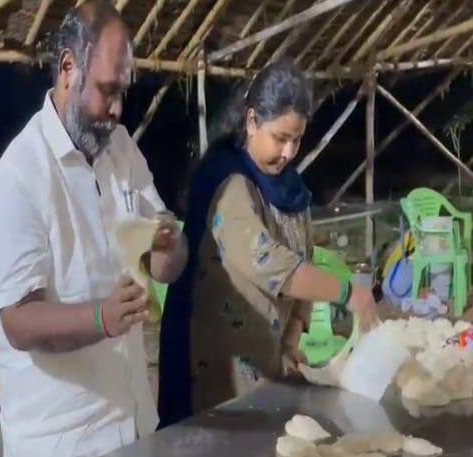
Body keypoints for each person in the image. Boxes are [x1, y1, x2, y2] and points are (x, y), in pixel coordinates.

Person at [0, 0, 187, 457]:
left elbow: (165, 244)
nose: (118, 109)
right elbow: (18, 320)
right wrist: (102, 318)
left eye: (123, 91)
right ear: (68, 69)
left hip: (125, 437)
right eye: (108, 90)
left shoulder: (119, 149)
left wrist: (167, 249)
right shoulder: (19, 178)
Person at [157, 59, 378, 428]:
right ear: (252, 122)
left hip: (267, 364)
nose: (289, 152)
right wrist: (347, 292)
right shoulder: (227, 181)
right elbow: (268, 262)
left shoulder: (291, 190)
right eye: (280, 138)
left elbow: (304, 259)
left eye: (297, 140)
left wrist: (291, 341)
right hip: (213, 368)